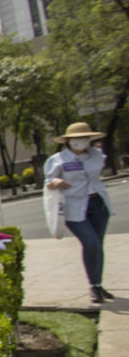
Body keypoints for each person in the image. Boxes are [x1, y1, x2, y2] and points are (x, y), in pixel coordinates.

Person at [45, 122, 115, 302]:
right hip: (74, 207)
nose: (81, 141)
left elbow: (97, 170)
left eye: (84, 138)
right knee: (90, 243)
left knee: (98, 245)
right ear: (68, 141)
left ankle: (97, 285)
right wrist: (56, 183)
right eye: (76, 138)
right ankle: (94, 286)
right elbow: (49, 181)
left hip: (98, 204)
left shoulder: (96, 155)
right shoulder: (58, 159)